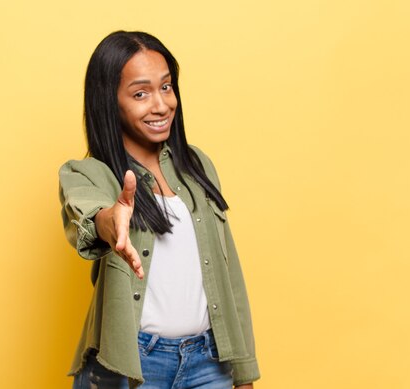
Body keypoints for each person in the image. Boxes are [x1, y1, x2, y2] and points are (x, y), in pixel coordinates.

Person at [59, 31, 260, 389]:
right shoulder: (88, 174)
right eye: (140, 93)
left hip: (209, 363)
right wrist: (111, 221)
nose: (161, 104)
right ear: (110, 102)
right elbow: (89, 215)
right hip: (132, 364)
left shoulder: (198, 165)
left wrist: (243, 373)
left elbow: (231, 280)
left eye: (166, 87)